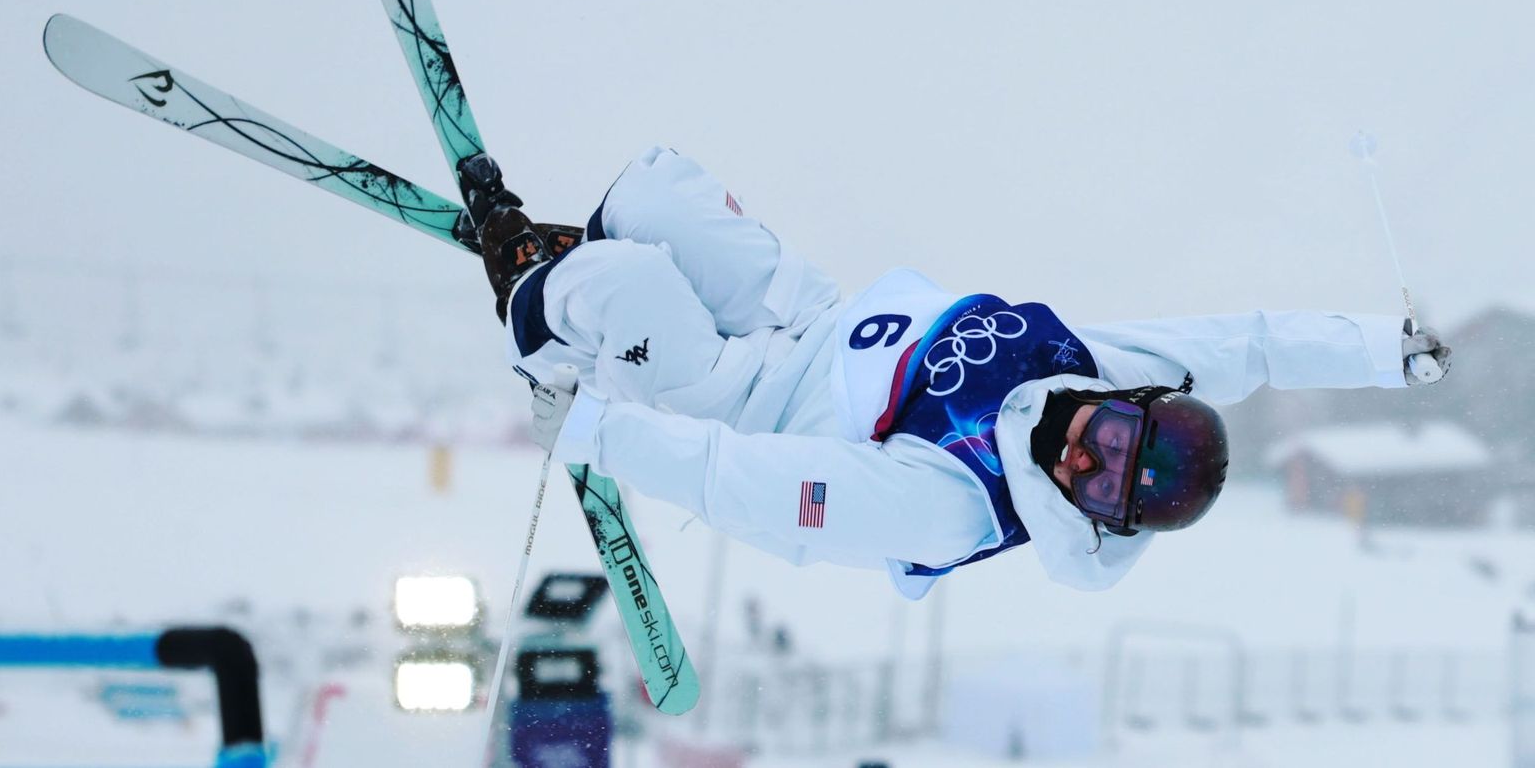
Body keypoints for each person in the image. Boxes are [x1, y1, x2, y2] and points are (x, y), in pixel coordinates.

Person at [460, 148, 1452, 599]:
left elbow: (750, 488)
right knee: (654, 186)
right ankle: (582, 272)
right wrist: (1383, 348)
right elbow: (1250, 342)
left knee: (623, 279)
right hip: (805, 308)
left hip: (737, 395)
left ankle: (541, 308)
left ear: (1098, 518)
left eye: (1097, 486)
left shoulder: (956, 504)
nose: (1078, 455)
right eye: (1107, 441)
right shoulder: (1092, 366)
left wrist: (594, 431)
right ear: (1131, 402)